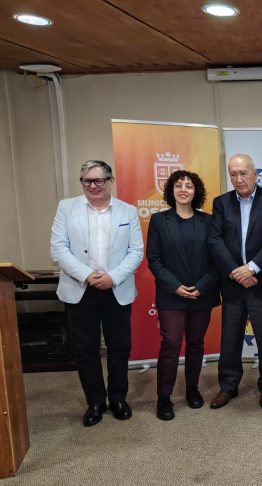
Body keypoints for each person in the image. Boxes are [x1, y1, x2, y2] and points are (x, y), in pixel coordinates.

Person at [50, 160, 143, 426]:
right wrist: (87, 275)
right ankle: (95, 402)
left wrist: (112, 277)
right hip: (80, 289)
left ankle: (118, 399)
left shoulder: (128, 211)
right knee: (85, 349)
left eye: (98, 180)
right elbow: (58, 248)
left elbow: (136, 251)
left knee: (119, 347)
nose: (93, 186)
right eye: (87, 181)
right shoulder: (66, 208)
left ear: (110, 181)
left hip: (116, 288)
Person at [208, 154, 262, 410]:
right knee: (230, 338)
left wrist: (252, 268)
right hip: (233, 283)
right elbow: (215, 240)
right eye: (233, 174)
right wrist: (236, 272)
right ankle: (228, 386)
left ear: (255, 174)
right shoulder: (221, 203)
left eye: (243, 173)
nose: (238, 179)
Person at [146, 170, 220, 421]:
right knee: (171, 343)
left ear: (196, 191)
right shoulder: (159, 220)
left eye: (189, 186)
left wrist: (203, 285)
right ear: (171, 190)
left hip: (202, 293)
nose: (184, 189)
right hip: (171, 294)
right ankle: (164, 397)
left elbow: (217, 259)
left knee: (196, 344)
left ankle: (192, 389)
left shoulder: (209, 221)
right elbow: (154, 259)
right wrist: (175, 286)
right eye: (179, 185)